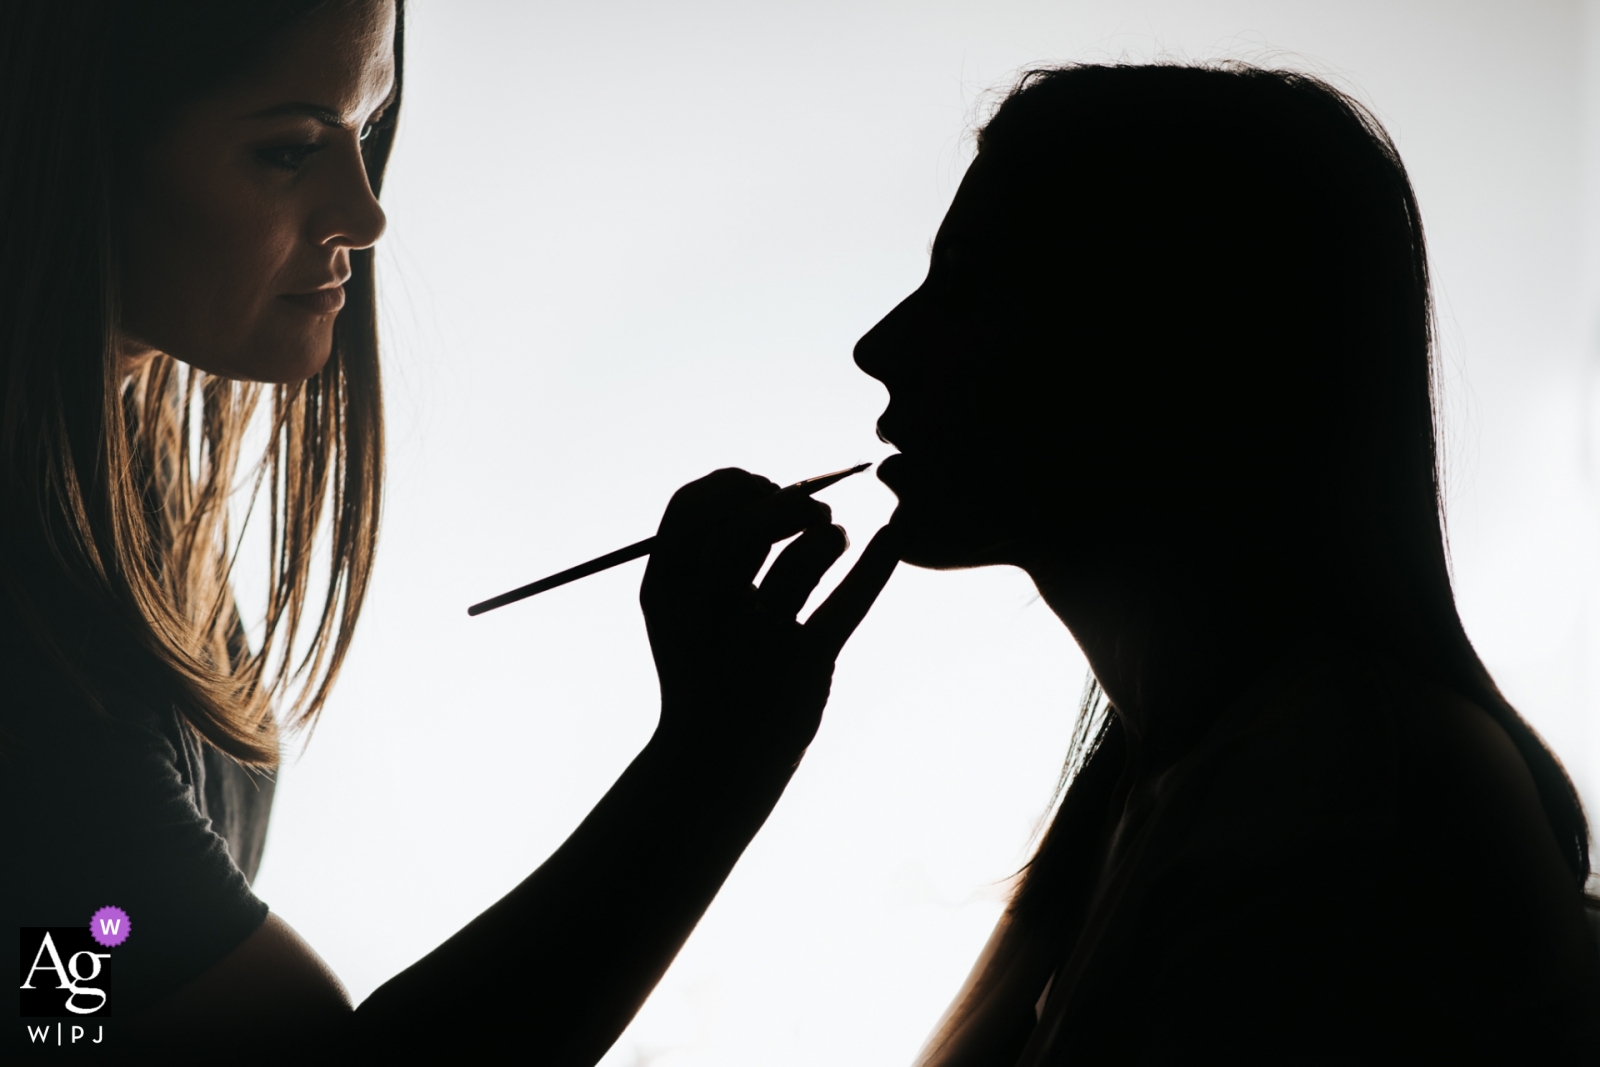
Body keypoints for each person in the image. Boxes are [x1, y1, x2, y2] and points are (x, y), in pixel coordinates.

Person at [1, 1, 895, 1061]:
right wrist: (717, 758)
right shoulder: (32, 642)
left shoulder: (109, 530)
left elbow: (67, 1006)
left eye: (367, 132)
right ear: (63, 145)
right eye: (288, 150)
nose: (366, 212)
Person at [853, 63, 1600, 1063]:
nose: (879, 345)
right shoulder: (1176, 786)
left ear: (1148, 338)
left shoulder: (1335, 796)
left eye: (965, 290)